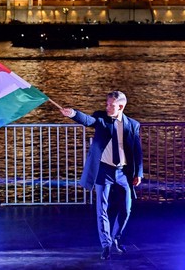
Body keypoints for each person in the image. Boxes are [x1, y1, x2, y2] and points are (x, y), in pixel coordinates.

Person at [59, 90, 143, 261]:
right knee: (101, 209)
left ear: (120, 106)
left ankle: (116, 239)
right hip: (104, 170)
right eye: (106, 104)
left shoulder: (133, 125)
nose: (107, 107)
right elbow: (88, 120)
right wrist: (73, 113)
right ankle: (106, 245)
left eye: (110, 105)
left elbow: (137, 151)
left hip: (123, 172)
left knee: (126, 209)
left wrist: (138, 173)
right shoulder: (101, 118)